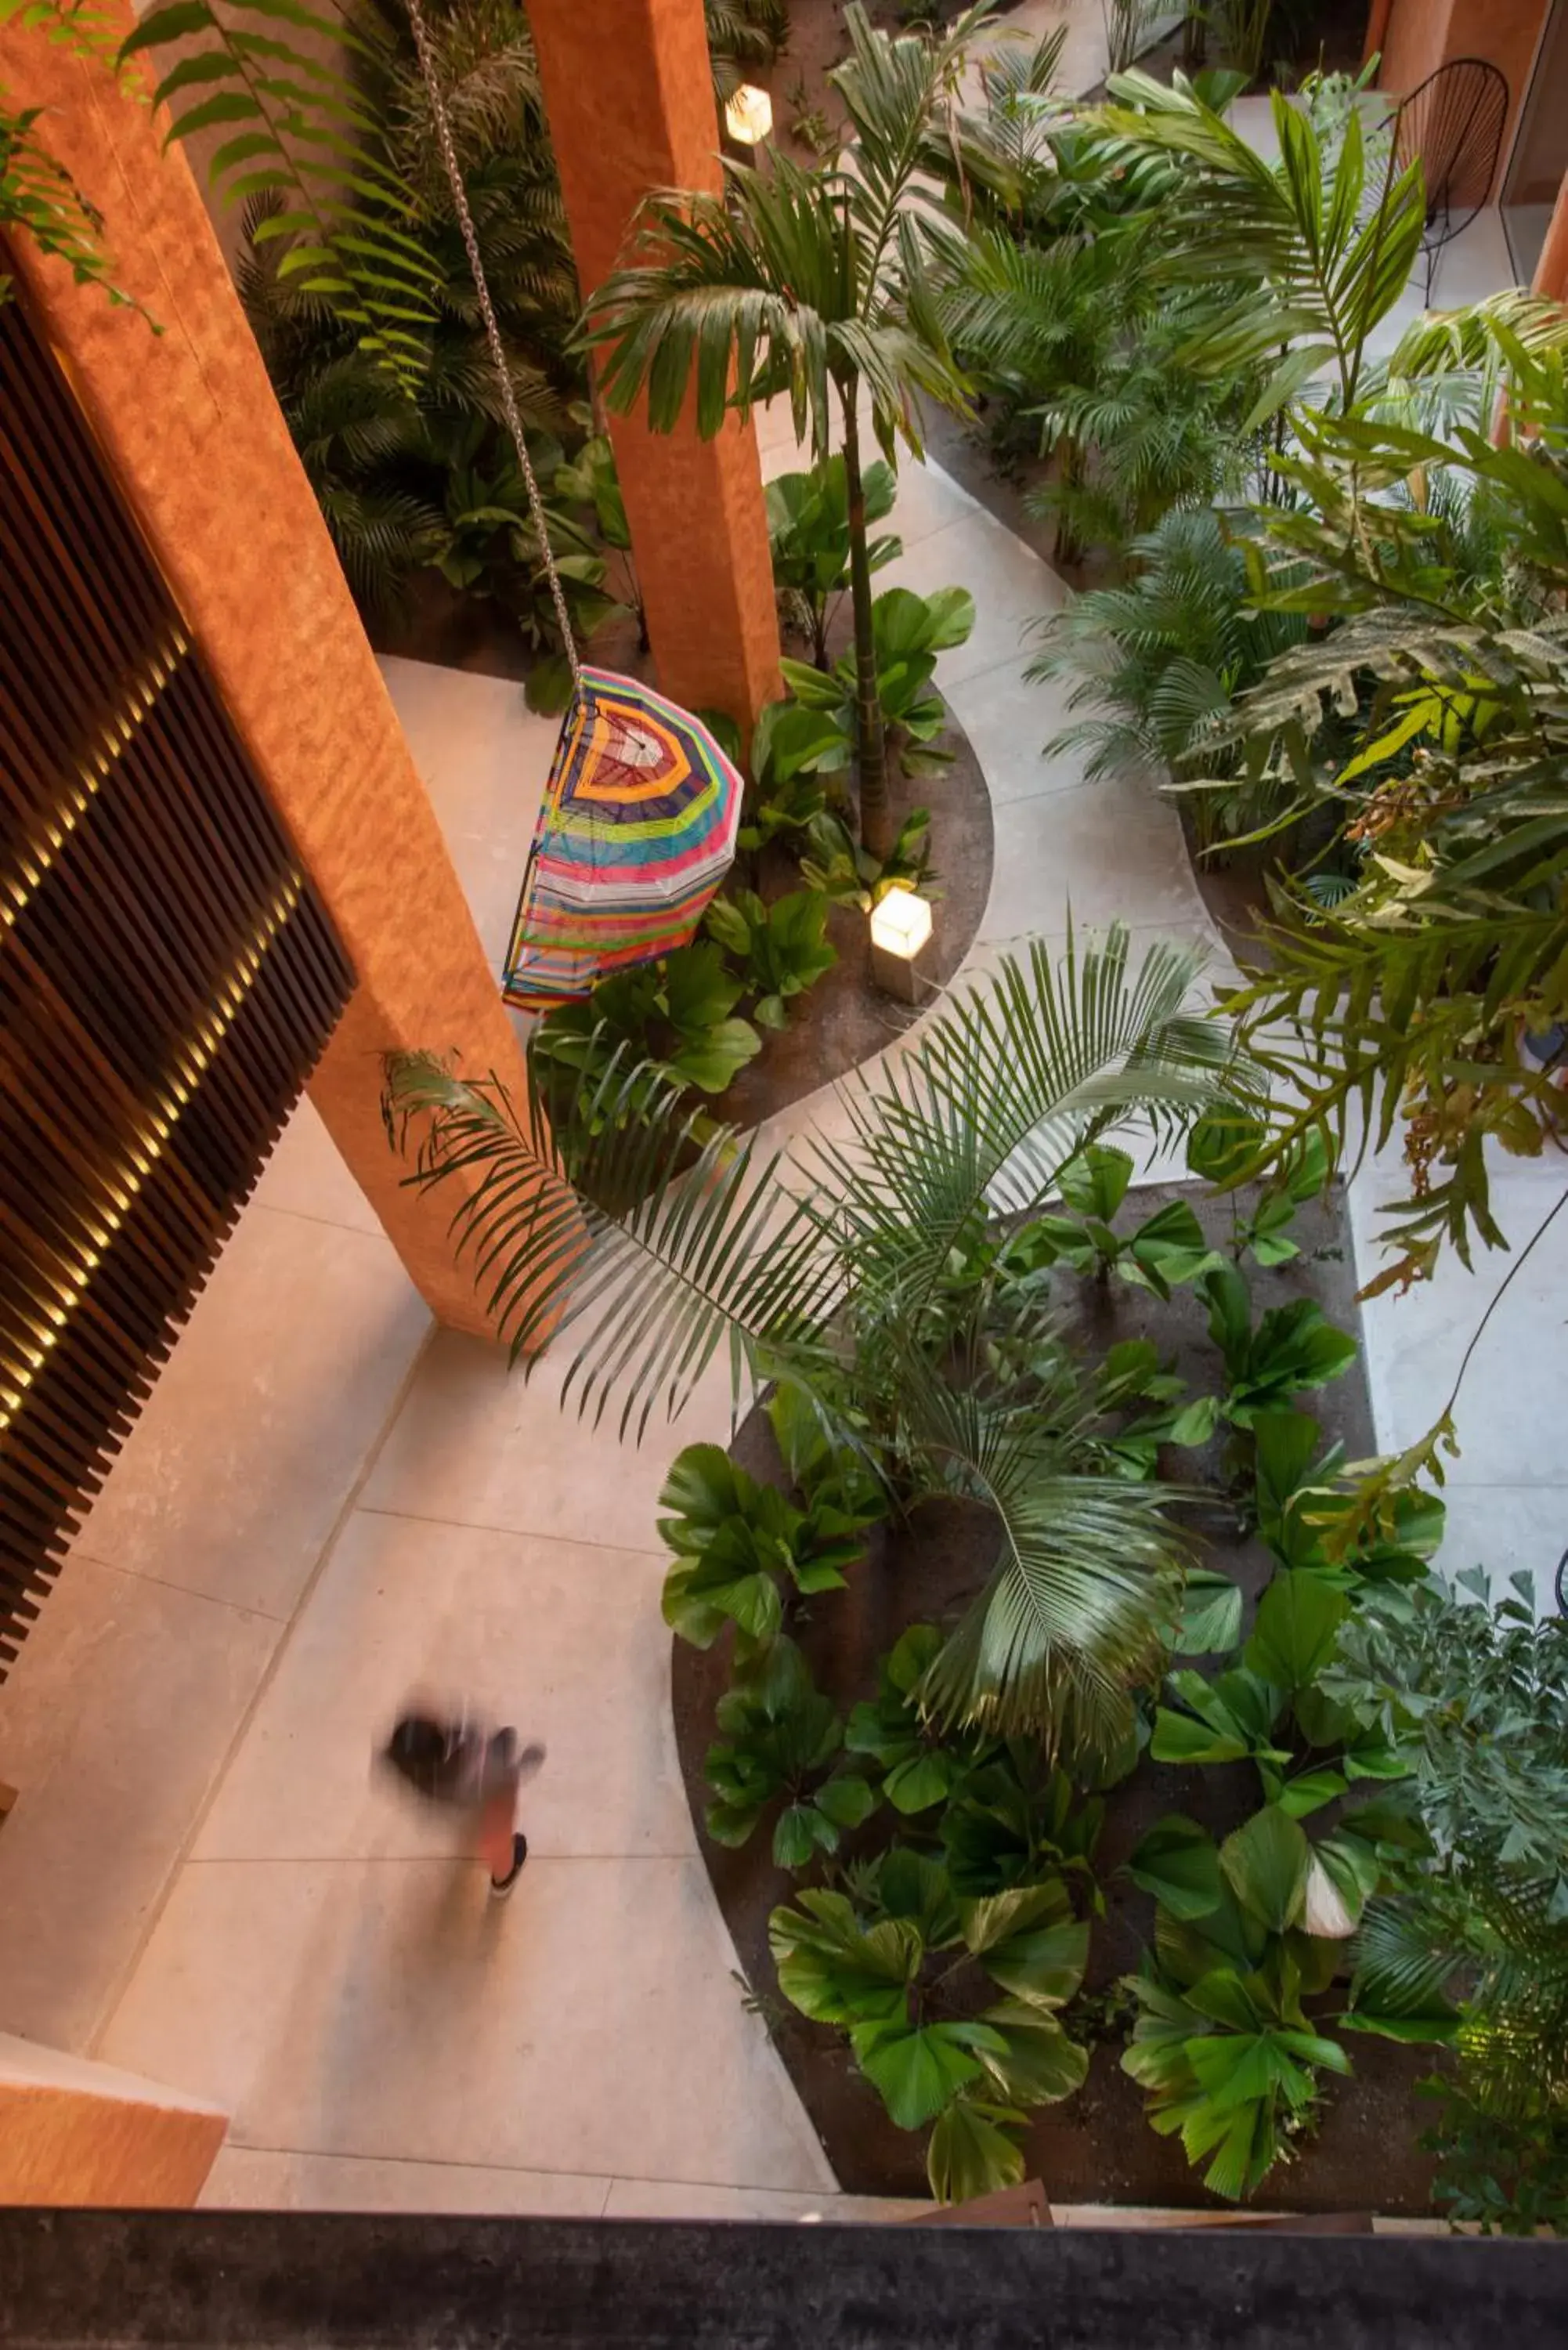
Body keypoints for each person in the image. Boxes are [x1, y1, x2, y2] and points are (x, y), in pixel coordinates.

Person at [381, 1707, 545, 1896]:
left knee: (478, 1793)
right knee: (496, 1839)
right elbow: (503, 1776)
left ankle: (494, 1752)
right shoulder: (475, 1773)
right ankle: (504, 1877)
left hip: (454, 1793)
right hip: (491, 1788)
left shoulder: (412, 1768)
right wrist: (522, 1764)